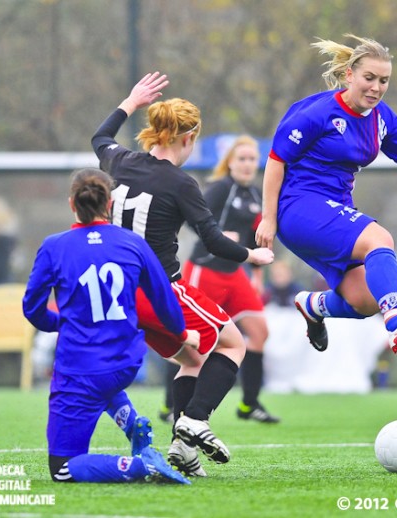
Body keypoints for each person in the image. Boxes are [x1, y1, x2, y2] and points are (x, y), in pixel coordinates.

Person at [255, 34, 397, 353]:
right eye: (369, 78)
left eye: (384, 80)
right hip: (298, 208)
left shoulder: (382, 118)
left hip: (333, 209)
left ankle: (313, 305)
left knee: (364, 301)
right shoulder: (318, 112)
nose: (376, 87)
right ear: (350, 75)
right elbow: (276, 161)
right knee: (379, 239)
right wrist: (269, 218)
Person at [91, 72, 274, 477]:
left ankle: (181, 448)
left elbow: (99, 138)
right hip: (160, 290)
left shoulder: (119, 160)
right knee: (233, 344)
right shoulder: (180, 182)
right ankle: (194, 420)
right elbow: (211, 239)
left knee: (191, 358)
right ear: (188, 138)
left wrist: (130, 101)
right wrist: (252, 254)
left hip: (118, 292)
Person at [23, 167, 198, 485]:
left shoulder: (54, 246)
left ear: (71, 203)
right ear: (111, 203)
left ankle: (139, 466)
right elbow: (165, 302)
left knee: (63, 469)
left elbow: (32, 309)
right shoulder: (133, 243)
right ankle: (133, 425)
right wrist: (185, 334)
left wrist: (60, 323)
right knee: (103, 384)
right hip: (126, 363)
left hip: (80, 368)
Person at [181, 135, 279, 424]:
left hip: (235, 274)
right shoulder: (221, 188)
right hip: (205, 270)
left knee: (259, 333)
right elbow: (192, 219)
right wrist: (219, 236)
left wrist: (257, 275)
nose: (248, 165)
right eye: (242, 159)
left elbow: (255, 239)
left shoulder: (256, 196)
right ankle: (172, 403)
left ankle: (250, 404)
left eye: (252, 159)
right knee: (191, 341)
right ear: (230, 163)